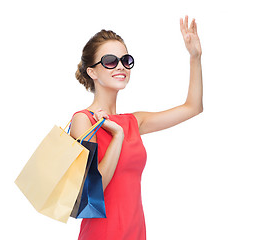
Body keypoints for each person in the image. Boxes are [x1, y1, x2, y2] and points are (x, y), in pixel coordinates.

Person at [70, 15, 203, 240]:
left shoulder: (134, 121)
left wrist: (195, 57)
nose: (120, 66)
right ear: (92, 71)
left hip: (136, 234)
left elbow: (193, 107)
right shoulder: (83, 120)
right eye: (110, 61)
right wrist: (117, 135)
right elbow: (94, 188)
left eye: (126, 60)